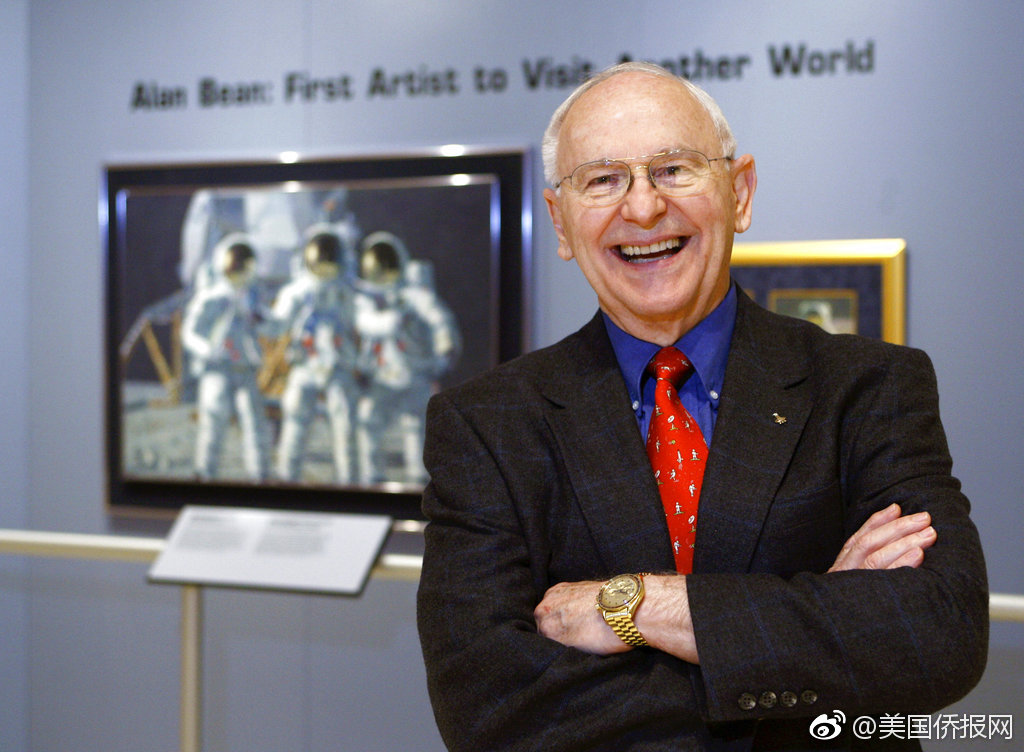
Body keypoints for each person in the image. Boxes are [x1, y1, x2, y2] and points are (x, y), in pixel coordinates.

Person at [416, 62, 988, 751]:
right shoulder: (486, 425)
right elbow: (486, 708)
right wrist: (810, 630)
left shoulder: (869, 387)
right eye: (602, 180)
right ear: (560, 223)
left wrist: (631, 606)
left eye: (673, 169)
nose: (644, 208)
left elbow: (937, 636)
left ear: (739, 192)